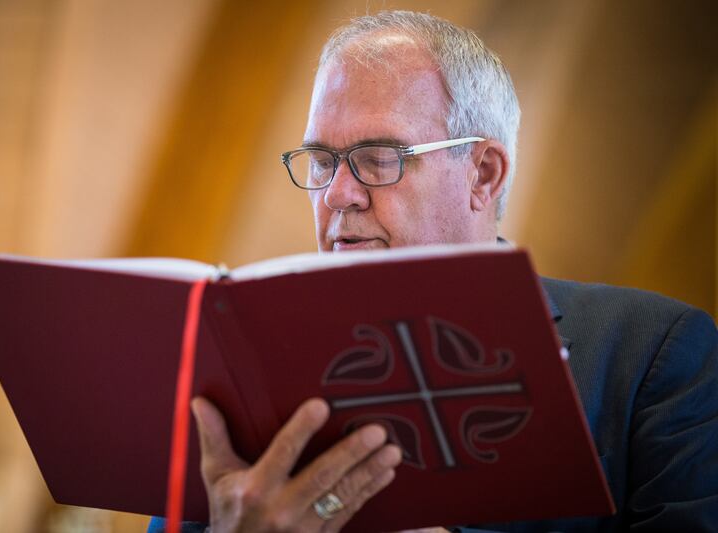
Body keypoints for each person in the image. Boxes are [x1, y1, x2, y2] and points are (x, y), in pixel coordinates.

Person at [150, 10, 717, 532]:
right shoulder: (242, 376)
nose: (338, 194)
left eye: (378, 158)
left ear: (483, 175)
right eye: (322, 161)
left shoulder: (655, 359)